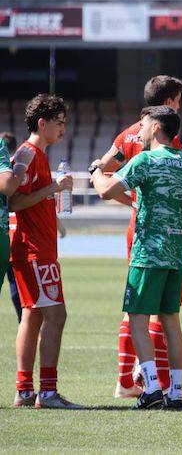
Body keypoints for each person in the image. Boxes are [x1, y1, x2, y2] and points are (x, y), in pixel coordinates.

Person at [90, 106, 182, 410]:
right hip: (177, 253)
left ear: (156, 128)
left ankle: (150, 389)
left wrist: (96, 170)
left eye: (144, 123)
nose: (140, 128)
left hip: (149, 252)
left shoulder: (146, 160)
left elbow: (106, 191)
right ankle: (175, 393)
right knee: (171, 322)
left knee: (138, 318)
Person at [10, 94, 80, 409]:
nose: (64, 129)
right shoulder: (28, 153)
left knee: (33, 315)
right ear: (43, 123)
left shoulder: (37, 154)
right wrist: (53, 188)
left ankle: (25, 390)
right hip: (35, 250)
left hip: (36, 249)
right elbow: (15, 201)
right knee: (56, 315)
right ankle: (47, 392)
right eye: (60, 122)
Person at [0, 132, 26, 322]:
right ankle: (22, 321)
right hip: (13, 234)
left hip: (9, 233)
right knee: (15, 283)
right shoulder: (15, 166)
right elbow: (10, 188)